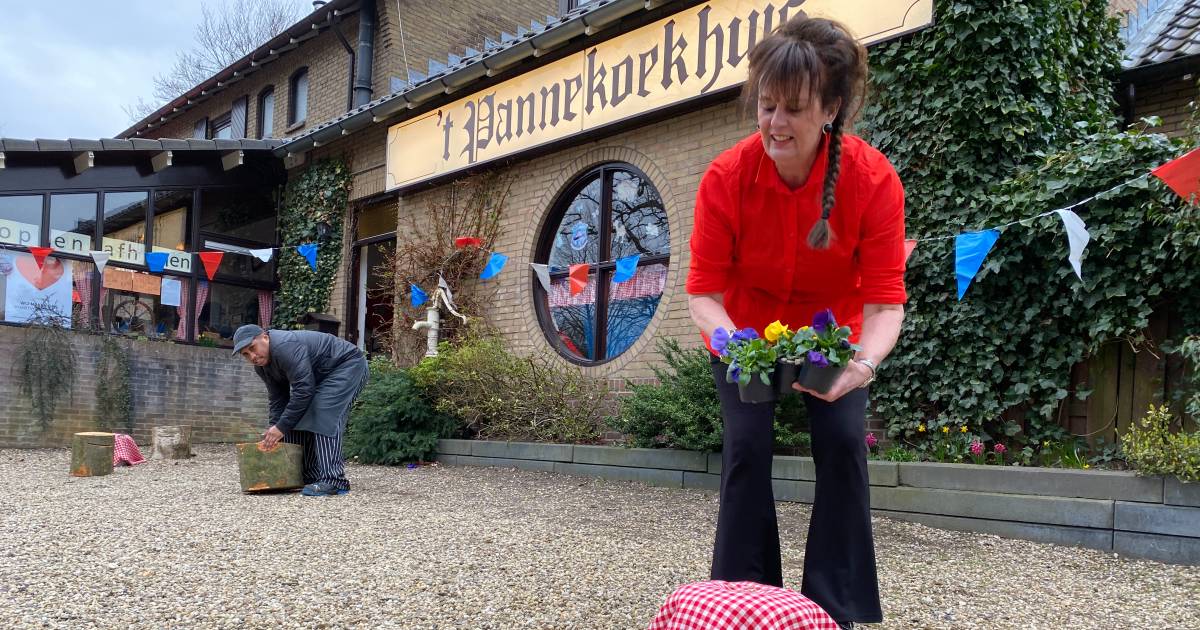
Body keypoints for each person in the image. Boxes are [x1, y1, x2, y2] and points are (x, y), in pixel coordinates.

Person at [685, 15, 908, 629]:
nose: (775, 124)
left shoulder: (873, 179)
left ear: (831, 109)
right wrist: (735, 347)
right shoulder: (726, 177)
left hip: (829, 332)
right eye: (766, 106)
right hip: (745, 332)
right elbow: (703, 293)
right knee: (747, 447)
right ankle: (743, 603)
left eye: (793, 109)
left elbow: (887, 304)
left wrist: (860, 366)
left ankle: (834, 609)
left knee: (840, 444)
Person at [232, 324, 369, 496]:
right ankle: (308, 475)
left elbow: (303, 390)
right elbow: (278, 399)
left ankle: (334, 480)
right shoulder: (262, 366)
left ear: (265, 337)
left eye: (252, 348)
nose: (252, 356)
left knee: (322, 411)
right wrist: (274, 430)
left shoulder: (284, 347)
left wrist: (281, 427)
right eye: (245, 354)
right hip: (320, 376)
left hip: (348, 365)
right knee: (292, 418)